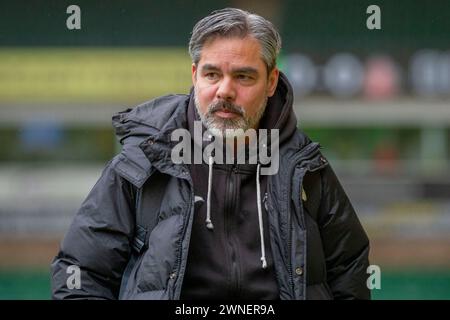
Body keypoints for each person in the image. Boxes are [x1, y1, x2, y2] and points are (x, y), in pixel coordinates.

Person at [51, 7, 370, 300]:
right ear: (194, 76)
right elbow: (80, 273)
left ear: (271, 81)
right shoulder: (142, 164)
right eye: (212, 74)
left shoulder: (306, 169)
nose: (225, 91)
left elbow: (350, 272)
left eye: (243, 76)